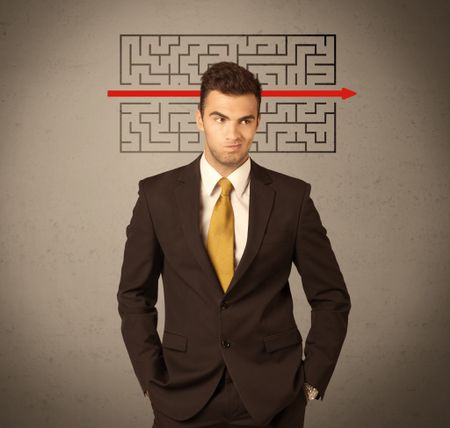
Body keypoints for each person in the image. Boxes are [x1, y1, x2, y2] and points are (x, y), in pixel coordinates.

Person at [117, 61, 351, 427]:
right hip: (181, 393)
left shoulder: (292, 198)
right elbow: (134, 296)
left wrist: (310, 382)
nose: (233, 133)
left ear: (258, 121)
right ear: (199, 119)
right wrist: (151, 380)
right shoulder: (156, 195)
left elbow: (331, 297)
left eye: (245, 120)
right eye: (220, 118)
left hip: (274, 397)